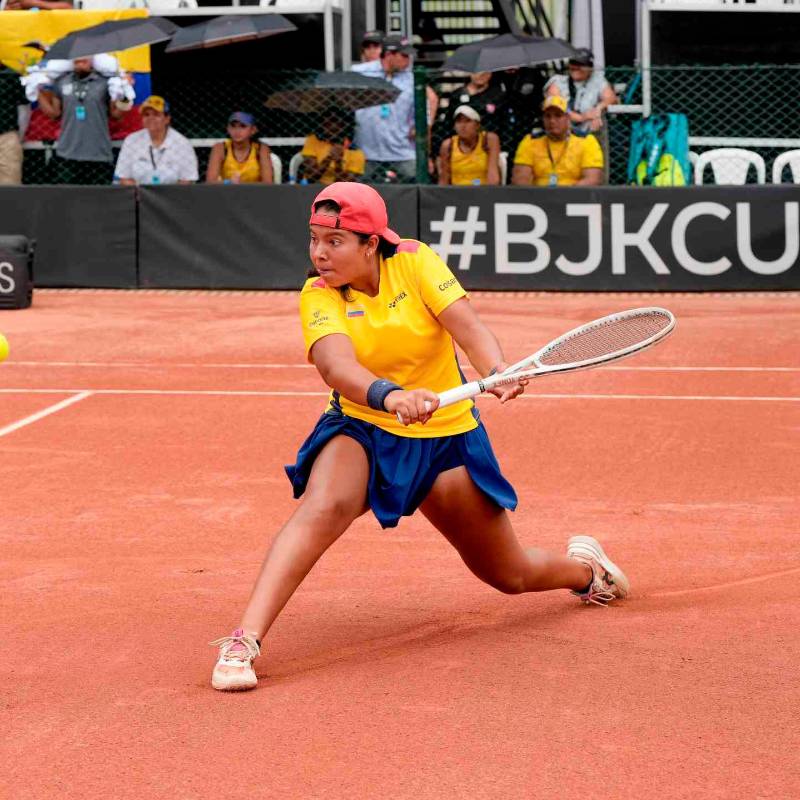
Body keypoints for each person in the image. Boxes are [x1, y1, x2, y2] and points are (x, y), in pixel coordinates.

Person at [209, 181, 629, 692]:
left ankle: (585, 574)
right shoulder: (317, 294)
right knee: (324, 504)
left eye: (334, 241)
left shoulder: (415, 262)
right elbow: (336, 365)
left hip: (446, 438)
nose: (320, 252)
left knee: (508, 574)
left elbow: (466, 326)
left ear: (371, 244)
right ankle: (244, 639)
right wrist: (388, 396)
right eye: (314, 238)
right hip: (363, 425)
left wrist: (495, 368)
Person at [36, 57, 125, 185]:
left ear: (93, 59)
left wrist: (127, 94)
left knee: (98, 202)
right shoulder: (61, 81)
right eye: (78, 55)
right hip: (67, 154)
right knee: (68, 202)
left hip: (98, 154)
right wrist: (35, 90)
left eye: (86, 55)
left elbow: (116, 114)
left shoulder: (105, 82)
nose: (81, 58)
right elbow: (54, 114)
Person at [351, 35, 416, 183]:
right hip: (366, 152)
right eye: (404, 55)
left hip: (402, 152)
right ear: (388, 55)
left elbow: (422, 113)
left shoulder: (412, 79)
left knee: (412, 185)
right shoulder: (359, 73)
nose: (408, 60)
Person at [511, 96, 603, 187]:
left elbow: (592, 179)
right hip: (538, 196)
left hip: (574, 196)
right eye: (548, 116)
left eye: (558, 116)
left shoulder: (587, 141)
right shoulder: (530, 141)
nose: (552, 121)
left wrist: (563, 197)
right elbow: (520, 179)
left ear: (567, 118)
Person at [114, 95, 198, 186]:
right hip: (138, 196)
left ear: (167, 119)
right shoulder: (131, 141)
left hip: (173, 197)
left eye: (156, 114)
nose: (151, 118)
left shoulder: (182, 144)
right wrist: (146, 195)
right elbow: (124, 178)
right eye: (146, 114)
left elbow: (187, 181)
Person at [544, 49, 617, 136]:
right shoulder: (558, 81)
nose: (575, 67)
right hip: (562, 134)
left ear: (590, 68)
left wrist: (598, 109)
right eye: (573, 63)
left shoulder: (597, 81)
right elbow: (554, 106)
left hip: (589, 134)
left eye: (580, 64)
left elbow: (611, 98)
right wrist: (581, 117)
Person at [437, 105, 500, 186]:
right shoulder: (448, 145)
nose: (463, 126)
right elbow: (444, 179)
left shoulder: (489, 140)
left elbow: (493, 177)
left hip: (482, 191)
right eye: (459, 121)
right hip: (457, 194)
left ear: (477, 125)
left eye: (468, 121)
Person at [298, 109, 364, 185]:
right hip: (313, 188)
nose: (333, 127)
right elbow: (311, 177)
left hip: (339, 191)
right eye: (327, 124)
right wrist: (328, 158)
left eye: (338, 124)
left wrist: (338, 162)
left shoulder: (356, 152)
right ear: (321, 125)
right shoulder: (313, 141)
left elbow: (346, 184)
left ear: (345, 126)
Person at [205, 111, 273, 184]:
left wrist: (242, 187)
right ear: (228, 129)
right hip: (228, 193)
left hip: (254, 193)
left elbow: (268, 183)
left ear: (253, 130)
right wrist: (228, 182)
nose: (237, 131)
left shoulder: (261, 149)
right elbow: (210, 182)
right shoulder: (220, 148)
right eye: (233, 126)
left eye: (243, 126)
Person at [0, 65, 27, 184]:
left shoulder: (12, 76)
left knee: (10, 185)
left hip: (6, 136)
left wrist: (16, 136)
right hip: (8, 136)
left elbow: (24, 109)